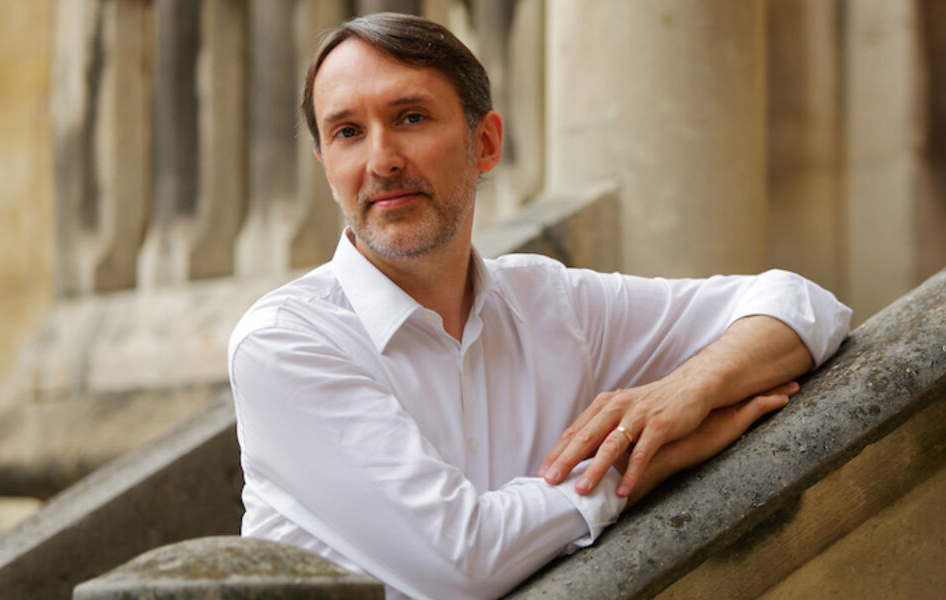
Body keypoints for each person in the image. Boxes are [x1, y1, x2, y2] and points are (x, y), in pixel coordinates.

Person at [228, 12, 851, 600]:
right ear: (326, 166)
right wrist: (639, 466)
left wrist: (687, 389)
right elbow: (462, 563)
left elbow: (804, 306)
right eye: (347, 133)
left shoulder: (554, 304)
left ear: (485, 142)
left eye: (411, 117)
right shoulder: (285, 343)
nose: (381, 160)